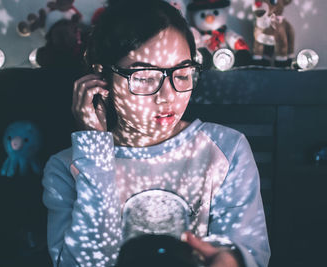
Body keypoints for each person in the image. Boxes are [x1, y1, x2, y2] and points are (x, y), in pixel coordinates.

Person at [42, 0, 270, 266]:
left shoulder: (226, 149)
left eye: (182, 74)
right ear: (102, 78)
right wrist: (94, 154)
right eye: (143, 77)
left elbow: (250, 251)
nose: (167, 96)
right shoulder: (66, 167)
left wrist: (230, 260)